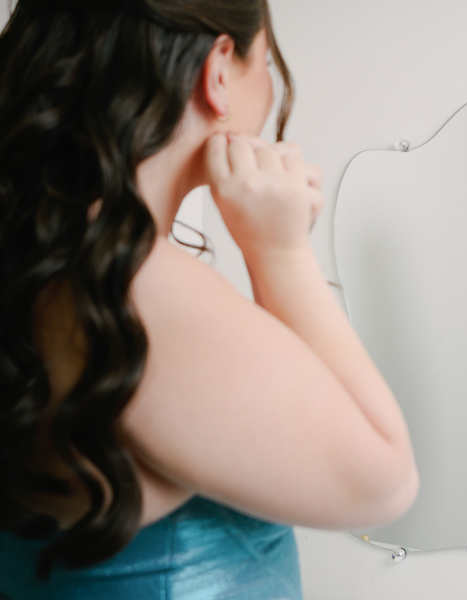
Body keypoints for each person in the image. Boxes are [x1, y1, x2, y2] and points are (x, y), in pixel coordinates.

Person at [0, 1, 418, 598]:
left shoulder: (39, 252)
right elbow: (384, 482)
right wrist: (278, 249)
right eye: (266, 60)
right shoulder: (131, 285)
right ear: (219, 69)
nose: (270, 86)